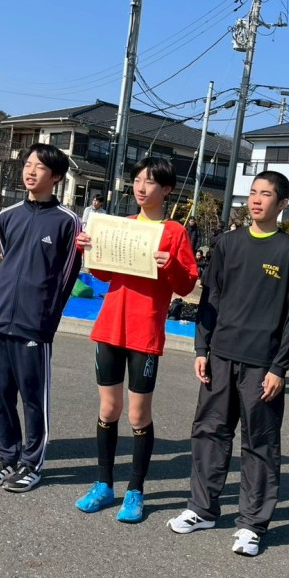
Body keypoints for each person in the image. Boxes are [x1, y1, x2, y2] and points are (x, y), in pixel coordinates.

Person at [167, 171, 289, 558]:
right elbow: (210, 298)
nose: (257, 200)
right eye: (253, 192)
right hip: (221, 355)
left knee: (260, 443)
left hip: (262, 363)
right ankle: (202, 508)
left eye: (266, 194)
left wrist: (279, 367)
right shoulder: (227, 243)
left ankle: (252, 524)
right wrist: (201, 348)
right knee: (209, 432)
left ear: (282, 204)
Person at [74, 158, 198, 523]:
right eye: (138, 180)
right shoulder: (121, 225)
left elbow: (186, 284)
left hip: (145, 332)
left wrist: (169, 263)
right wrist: (88, 248)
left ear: (167, 189)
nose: (142, 187)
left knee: (138, 414)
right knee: (108, 409)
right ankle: (103, 484)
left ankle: (135, 490)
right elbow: (103, 273)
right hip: (110, 326)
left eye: (151, 181)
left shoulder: (174, 232)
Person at [0, 144, 83, 493]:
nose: (30, 171)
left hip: (34, 323)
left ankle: (31, 463)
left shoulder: (68, 222)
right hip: (0, 316)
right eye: (27, 164)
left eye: (39, 167)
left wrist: (47, 319)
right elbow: (7, 259)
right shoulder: (8, 215)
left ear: (56, 177)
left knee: (33, 398)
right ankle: (6, 456)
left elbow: (67, 277)